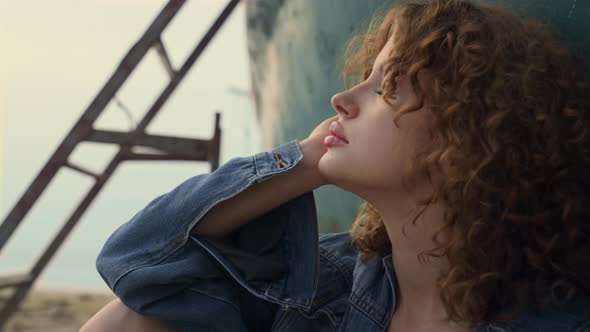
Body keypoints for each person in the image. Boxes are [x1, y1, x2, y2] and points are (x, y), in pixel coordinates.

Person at [80, 0, 590, 331]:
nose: (341, 98)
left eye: (387, 87)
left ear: (465, 135)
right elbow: (134, 261)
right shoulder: (331, 283)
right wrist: (304, 160)